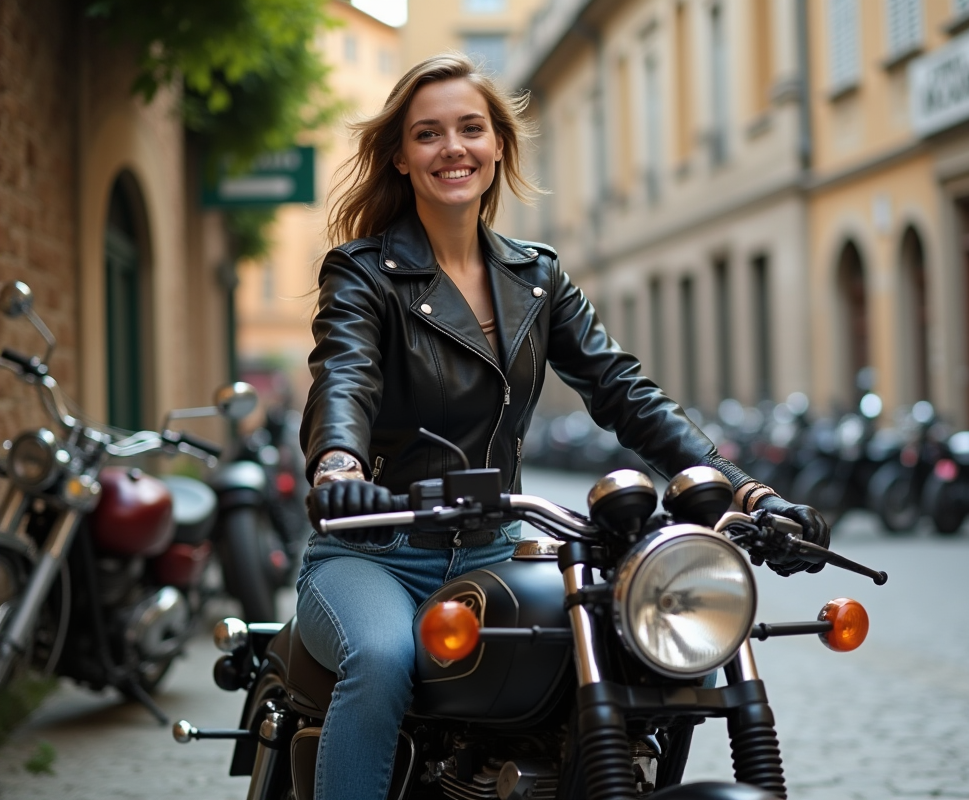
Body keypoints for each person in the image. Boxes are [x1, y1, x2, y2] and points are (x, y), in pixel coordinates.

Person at [297, 51, 830, 800]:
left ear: (498, 146)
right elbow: (345, 374)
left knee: (624, 645)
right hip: (375, 551)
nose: (452, 148)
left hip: (493, 550)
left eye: (470, 129)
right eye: (428, 134)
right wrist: (340, 468)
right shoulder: (361, 274)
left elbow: (622, 390)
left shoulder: (537, 277)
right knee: (382, 659)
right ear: (401, 156)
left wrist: (745, 493)